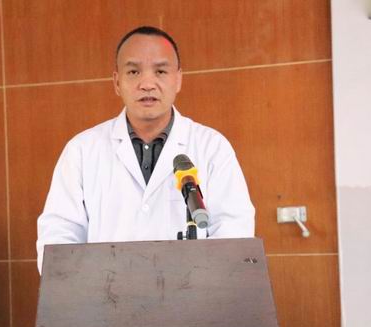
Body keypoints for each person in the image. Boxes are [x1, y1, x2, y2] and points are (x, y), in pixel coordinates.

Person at [37, 26, 255, 273]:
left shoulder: (212, 147)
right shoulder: (81, 151)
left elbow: (234, 234)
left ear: (178, 79)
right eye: (133, 72)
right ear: (117, 82)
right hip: (104, 295)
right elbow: (57, 239)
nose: (147, 84)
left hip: (190, 296)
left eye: (160, 71)